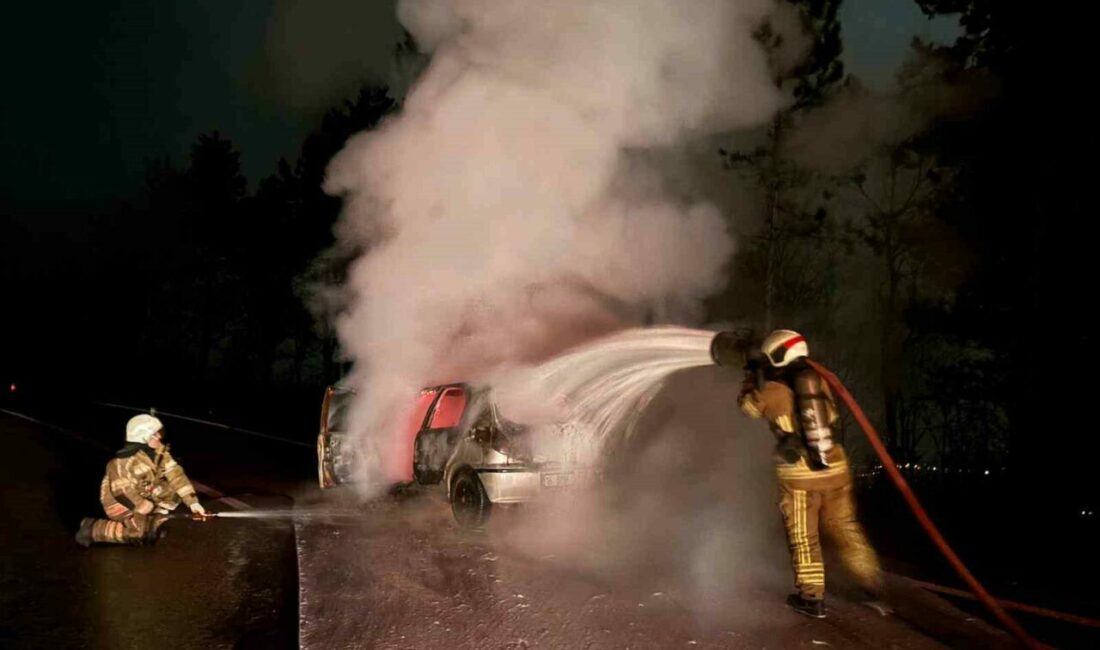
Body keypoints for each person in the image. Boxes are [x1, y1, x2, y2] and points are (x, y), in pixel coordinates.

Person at [737, 329, 882, 618]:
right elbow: (833, 417)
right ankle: (870, 583)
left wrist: (751, 380)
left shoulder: (772, 390)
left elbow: (749, 409)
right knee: (845, 526)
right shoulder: (820, 383)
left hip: (800, 474)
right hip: (835, 467)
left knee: (804, 535)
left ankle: (812, 597)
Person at [75, 414, 205, 546]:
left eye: (159, 433)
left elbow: (176, 476)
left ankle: (152, 521)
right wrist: (141, 507)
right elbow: (121, 493)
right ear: (143, 437)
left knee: (172, 491)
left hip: (144, 493)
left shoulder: (160, 453)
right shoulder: (121, 462)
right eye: (155, 434)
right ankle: (92, 528)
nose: (159, 437)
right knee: (141, 534)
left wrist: (192, 502)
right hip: (121, 503)